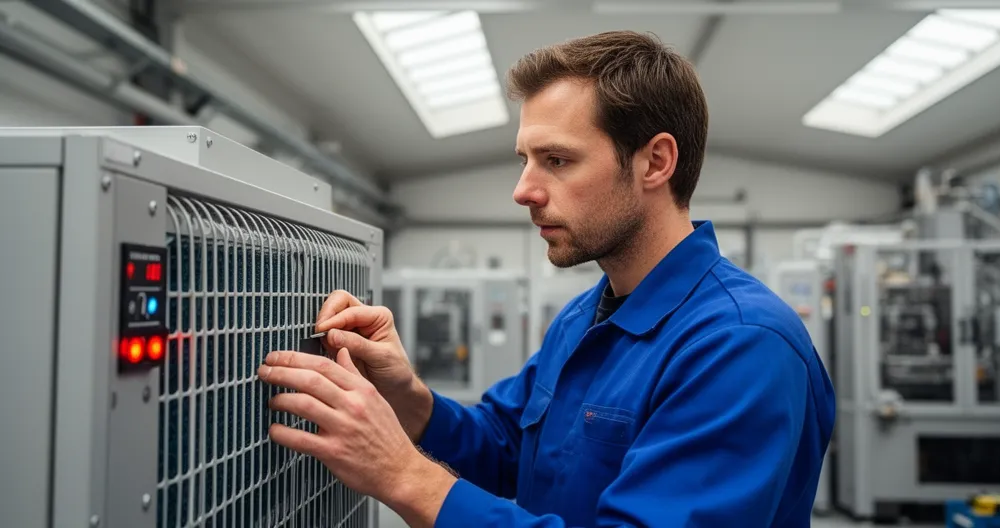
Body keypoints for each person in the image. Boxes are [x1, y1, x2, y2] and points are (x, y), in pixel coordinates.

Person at [257, 30, 835, 527]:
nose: (523, 191)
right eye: (525, 160)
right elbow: (506, 446)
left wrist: (404, 475)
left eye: (557, 160)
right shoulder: (583, 319)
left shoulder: (740, 346)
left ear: (655, 162)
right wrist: (406, 398)